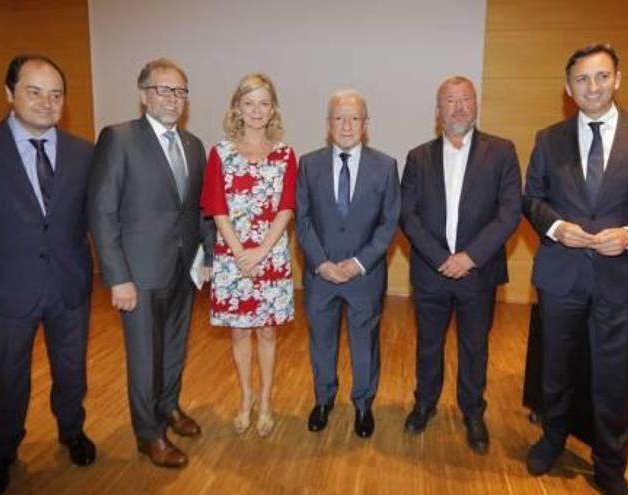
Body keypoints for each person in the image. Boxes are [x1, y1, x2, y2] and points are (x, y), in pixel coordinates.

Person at [522, 44, 628, 495]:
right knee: (555, 368)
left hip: (621, 277)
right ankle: (552, 439)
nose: (592, 87)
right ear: (567, 89)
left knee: (613, 375)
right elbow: (531, 198)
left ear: (618, 79)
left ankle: (610, 464)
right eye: (581, 80)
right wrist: (554, 227)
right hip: (561, 275)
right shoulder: (547, 138)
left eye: (601, 77)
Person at [0, 54, 96, 495]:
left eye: (56, 94)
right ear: (9, 94)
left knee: (71, 369)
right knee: (8, 374)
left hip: (69, 283)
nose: (47, 103)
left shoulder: (84, 152)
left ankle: (72, 431)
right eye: (34, 91)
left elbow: (88, 216)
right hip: (6, 286)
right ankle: (3, 451)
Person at [88, 58, 212, 469]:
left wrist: (206, 255)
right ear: (143, 95)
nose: (173, 99)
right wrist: (117, 277)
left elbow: (197, 210)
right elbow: (102, 212)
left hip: (182, 269)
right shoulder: (118, 139)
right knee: (144, 355)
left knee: (175, 346)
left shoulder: (194, 145)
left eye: (180, 91)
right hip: (138, 274)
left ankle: (169, 406)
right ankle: (148, 433)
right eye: (164, 90)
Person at [399, 75, 521, 454]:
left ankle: (472, 411)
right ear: (438, 112)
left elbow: (509, 212)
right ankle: (425, 404)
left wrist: (470, 257)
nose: (458, 107)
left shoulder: (502, 151)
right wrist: (440, 259)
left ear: (476, 105)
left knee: (474, 346)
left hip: (478, 272)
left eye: (465, 99)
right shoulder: (418, 157)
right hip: (431, 271)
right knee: (428, 345)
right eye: (449, 101)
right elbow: (408, 214)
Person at [296, 89, 400, 438]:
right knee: (321, 341)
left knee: (364, 342)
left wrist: (358, 263)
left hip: (364, 276)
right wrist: (321, 263)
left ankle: (363, 405)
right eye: (338, 118)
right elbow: (303, 220)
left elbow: (389, 223)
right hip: (320, 276)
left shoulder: (385, 167)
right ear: (328, 124)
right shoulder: (308, 164)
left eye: (354, 118)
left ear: (365, 124)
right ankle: (323, 400)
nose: (346, 125)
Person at [200, 73, 297, 438]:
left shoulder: (287, 154)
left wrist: (261, 251)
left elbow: (287, 208)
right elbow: (216, 208)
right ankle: (245, 400)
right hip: (233, 260)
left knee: (268, 334)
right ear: (237, 107)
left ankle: (267, 402)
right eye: (249, 102)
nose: (257, 110)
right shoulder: (220, 153)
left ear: (273, 109)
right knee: (240, 335)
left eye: (264, 103)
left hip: (271, 258)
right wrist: (242, 252)